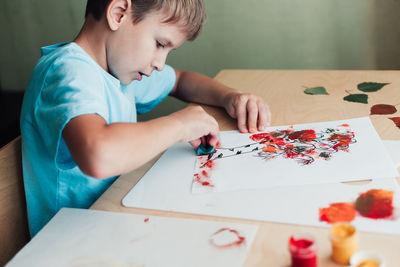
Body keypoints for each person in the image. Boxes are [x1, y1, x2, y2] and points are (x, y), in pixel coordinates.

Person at [20, 0, 271, 237]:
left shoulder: (116, 71)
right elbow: (99, 154)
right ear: (118, 13)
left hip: (115, 219)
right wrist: (179, 125)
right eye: (160, 44)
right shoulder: (67, 71)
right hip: (68, 245)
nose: (161, 64)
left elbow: (180, 81)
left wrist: (231, 96)